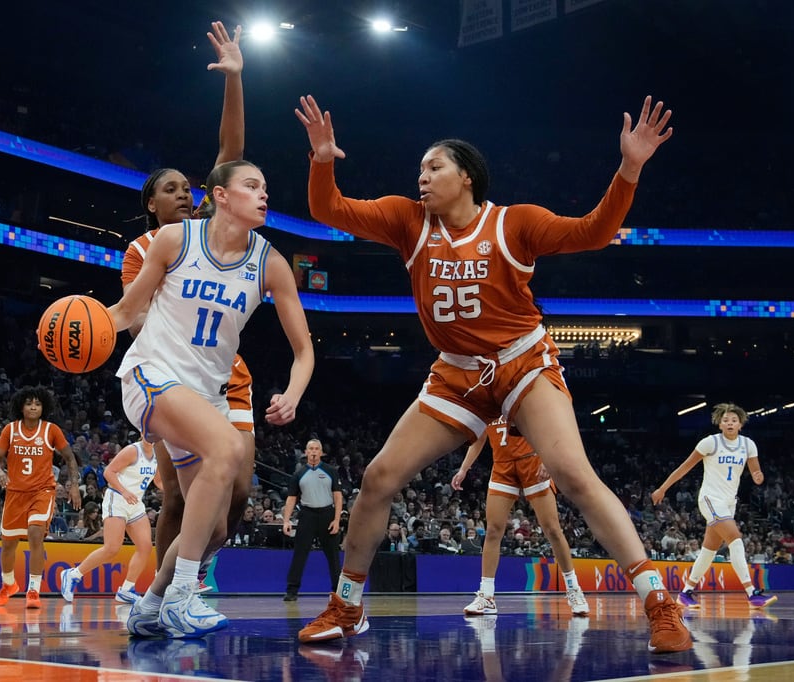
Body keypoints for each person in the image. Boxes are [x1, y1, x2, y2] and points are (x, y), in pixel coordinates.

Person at [293, 93, 690, 653]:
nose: (423, 178)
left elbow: (592, 232)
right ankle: (347, 606)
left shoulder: (515, 223)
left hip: (522, 363)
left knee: (574, 476)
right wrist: (322, 158)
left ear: (467, 177)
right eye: (421, 170)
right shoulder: (410, 222)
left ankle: (659, 603)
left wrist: (628, 170)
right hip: (457, 375)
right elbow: (328, 209)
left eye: (434, 168)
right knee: (379, 478)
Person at [110, 157, 313, 639]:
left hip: (205, 398)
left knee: (216, 529)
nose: (264, 194)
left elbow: (304, 351)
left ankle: (152, 601)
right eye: (251, 185)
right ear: (221, 195)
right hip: (150, 376)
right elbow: (125, 311)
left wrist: (293, 392)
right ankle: (183, 597)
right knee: (229, 447)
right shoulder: (175, 240)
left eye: (265, 186)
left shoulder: (271, 263)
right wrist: (76, 328)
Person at [120, 22, 259, 594]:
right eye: (171, 188)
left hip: (228, 377)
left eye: (188, 187)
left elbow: (231, 153)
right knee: (178, 494)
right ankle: (165, 592)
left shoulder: (210, 229)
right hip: (170, 377)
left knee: (239, 497)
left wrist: (234, 79)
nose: (185, 192)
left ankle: (184, 580)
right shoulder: (144, 250)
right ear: (151, 204)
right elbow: (131, 314)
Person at [452, 424, 590, 616]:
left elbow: (549, 428)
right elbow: (479, 439)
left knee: (552, 529)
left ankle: (573, 589)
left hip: (532, 462)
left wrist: (548, 459)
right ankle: (487, 595)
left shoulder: (522, 397)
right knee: (493, 530)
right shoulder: (486, 401)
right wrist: (464, 469)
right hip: (502, 466)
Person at [651, 402, 777, 609]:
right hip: (710, 499)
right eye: (725, 420)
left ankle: (685, 593)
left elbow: (756, 471)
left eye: (734, 420)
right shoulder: (710, 443)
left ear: (740, 424)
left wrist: (758, 476)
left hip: (729, 503)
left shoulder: (748, 445)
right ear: (719, 424)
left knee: (708, 551)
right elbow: (685, 467)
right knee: (736, 539)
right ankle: (752, 593)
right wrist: (663, 489)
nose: (729, 423)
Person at [0, 386, 81, 609]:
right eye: (29, 403)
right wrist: (0, 472)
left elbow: (70, 458)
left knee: (35, 533)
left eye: (37, 404)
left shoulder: (51, 430)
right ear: (21, 406)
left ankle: (33, 590)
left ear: (43, 408)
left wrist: (75, 486)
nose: (33, 407)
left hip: (42, 491)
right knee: (8, 544)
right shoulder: (10, 430)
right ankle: (8, 585)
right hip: (15, 493)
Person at [60, 439, 161, 604]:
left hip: (135, 503)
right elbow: (108, 472)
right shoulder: (133, 450)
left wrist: (176, 489)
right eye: (147, 430)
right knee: (112, 548)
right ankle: (73, 575)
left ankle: (126, 590)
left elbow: (158, 481)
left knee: (145, 547)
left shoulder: (157, 455)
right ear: (142, 432)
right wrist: (125, 491)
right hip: (118, 499)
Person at [281, 438, 344, 601]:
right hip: (307, 515)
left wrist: (337, 520)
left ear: (321, 452)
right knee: (299, 554)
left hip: (327, 514)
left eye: (317, 448)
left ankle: (338, 591)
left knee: (333, 555)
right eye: (311, 448)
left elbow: (338, 497)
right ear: (306, 452)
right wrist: (286, 520)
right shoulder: (299, 474)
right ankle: (292, 590)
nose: (314, 451)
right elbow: (291, 498)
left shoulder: (331, 471)